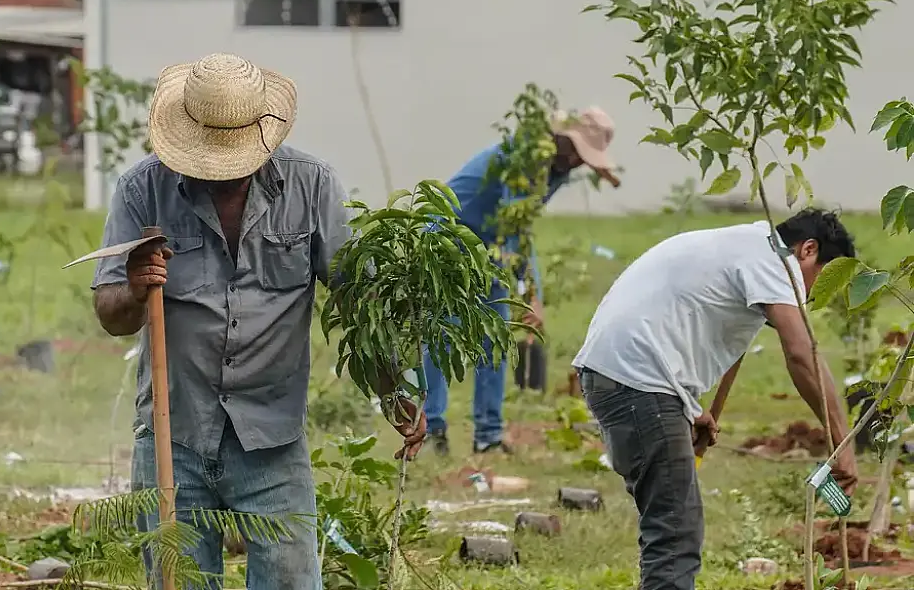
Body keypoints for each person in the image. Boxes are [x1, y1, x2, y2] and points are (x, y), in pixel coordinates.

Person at [90, 53, 425, 590]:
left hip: (270, 440)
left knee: (292, 581)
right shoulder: (141, 191)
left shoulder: (311, 187)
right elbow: (109, 314)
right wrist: (134, 286)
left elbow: (353, 299)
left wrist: (392, 389)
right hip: (174, 436)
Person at [572, 208, 860, 590]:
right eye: (819, 282)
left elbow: (700, 320)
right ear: (808, 250)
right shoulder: (772, 261)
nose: (809, 297)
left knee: (671, 523)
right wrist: (843, 440)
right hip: (638, 382)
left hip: (620, 376)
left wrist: (690, 409)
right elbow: (801, 352)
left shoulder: (746, 245)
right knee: (676, 533)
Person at [423, 107, 622, 456]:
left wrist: (532, 293)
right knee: (444, 336)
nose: (579, 162)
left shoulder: (558, 169)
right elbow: (513, 226)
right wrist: (531, 294)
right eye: (578, 153)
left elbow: (519, 228)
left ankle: (488, 436)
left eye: (585, 158)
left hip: (493, 247)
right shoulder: (522, 160)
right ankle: (431, 431)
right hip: (451, 241)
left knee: (494, 340)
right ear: (562, 141)